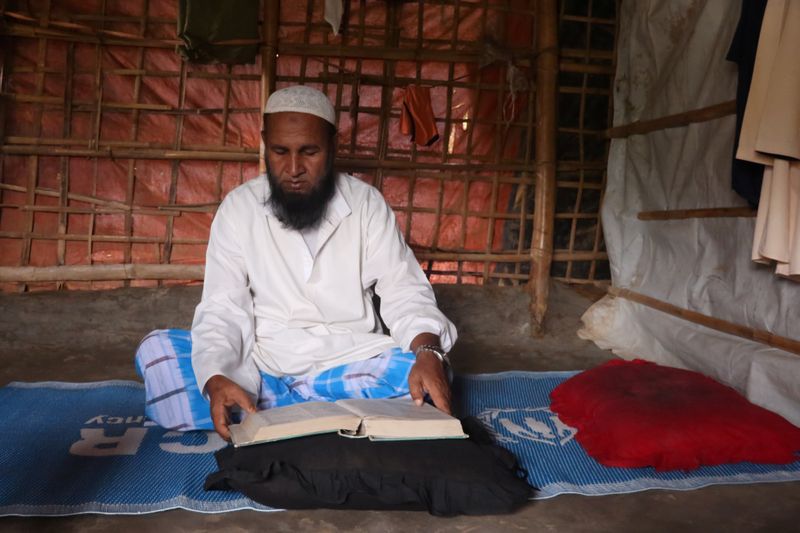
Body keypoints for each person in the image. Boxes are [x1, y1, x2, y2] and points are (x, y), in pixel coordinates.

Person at [136, 85, 457, 440]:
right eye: (279, 151)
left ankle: (275, 416)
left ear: (332, 145)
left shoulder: (366, 204)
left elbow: (403, 288)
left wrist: (427, 351)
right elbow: (222, 306)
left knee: (421, 373)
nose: (293, 169)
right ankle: (332, 414)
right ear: (264, 143)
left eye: (309, 152)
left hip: (349, 359)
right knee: (159, 355)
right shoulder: (239, 209)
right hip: (265, 362)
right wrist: (215, 378)